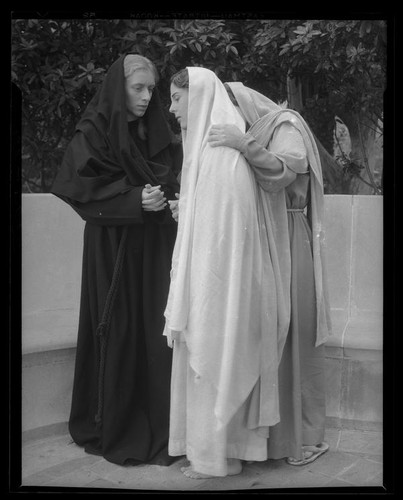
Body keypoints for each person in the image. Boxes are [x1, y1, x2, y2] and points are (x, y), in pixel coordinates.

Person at [51, 54, 181, 466]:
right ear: (118, 87)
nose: (146, 97)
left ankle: (165, 424)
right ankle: (118, 422)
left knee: (158, 331)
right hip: (113, 249)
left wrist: (164, 198)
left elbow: (175, 175)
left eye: (151, 89)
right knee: (119, 328)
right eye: (137, 88)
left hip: (156, 245)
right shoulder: (93, 131)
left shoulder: (156, 130)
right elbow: (80, 190)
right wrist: (133, 199)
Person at [163, 67, 291, 479]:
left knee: (215, 362)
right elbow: (216, 216)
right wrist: (189, 210)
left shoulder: (221, 149)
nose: (171, 108)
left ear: (196, 98)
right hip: (212, 277)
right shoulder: (208, 144)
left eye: (177, 98)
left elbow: (227, 233)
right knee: (209, 366)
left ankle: (218, 458)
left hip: (217, 283)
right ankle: (211, 453)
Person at [207, 82, 332, 465]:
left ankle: (305, 439)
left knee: (292, 333)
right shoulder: (251, 131)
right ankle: (266, 442)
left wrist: (242, 144)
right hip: (262, 239)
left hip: (289, 238)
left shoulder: (284, 124)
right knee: (262, 336)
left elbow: (282, 173)